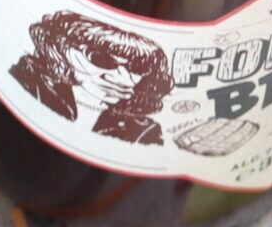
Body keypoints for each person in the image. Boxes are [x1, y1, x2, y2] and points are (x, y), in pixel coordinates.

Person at [9, 12, 171, 146]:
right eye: (100, 59)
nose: (124, 79)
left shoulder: (145, 132)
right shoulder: (27, 82)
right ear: (61, 49)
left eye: (138, 68)